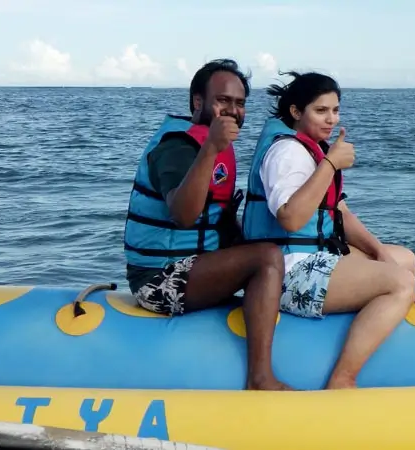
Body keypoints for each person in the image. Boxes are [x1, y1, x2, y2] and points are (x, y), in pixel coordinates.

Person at [123, 59, 292, 391]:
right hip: (158, 278)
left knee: (276, 248)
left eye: (240, 103)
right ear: (198, 103)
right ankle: (260, 378)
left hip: (195, 266)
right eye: (223, 100)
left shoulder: (213, 148)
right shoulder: (177, 147)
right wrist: (212, 147)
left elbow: (220, 226)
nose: (232, 110)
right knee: (266, 258)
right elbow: (183, 215)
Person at [242, 71, 415, 389]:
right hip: (286, 273)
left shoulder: (312, 148)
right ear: (296, 112)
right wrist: (331, 164)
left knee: (403, 259)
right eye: (321, 111)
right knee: (401, 283)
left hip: (315, 256)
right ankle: (343, 378)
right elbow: (291, 219)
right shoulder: (287, 153)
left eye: (335, 110)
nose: (331, 119)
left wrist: (379, 253)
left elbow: (339, 212)